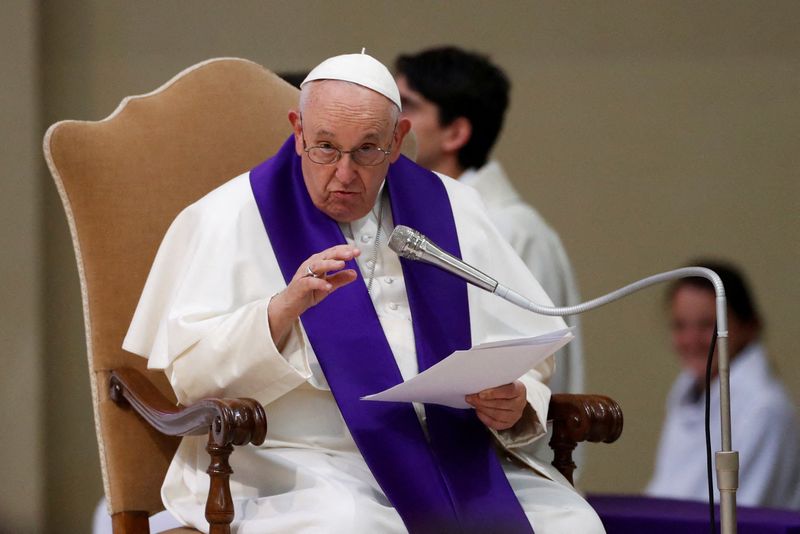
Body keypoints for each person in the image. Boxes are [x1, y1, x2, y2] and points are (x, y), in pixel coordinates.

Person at [122, 52, 604, 533]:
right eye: (325, 147)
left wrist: (517, 402)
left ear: (398, 141)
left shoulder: (453, 208)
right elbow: (189, 377)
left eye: (367, 150)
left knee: (572, 523)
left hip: (452, 454)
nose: (345, 173)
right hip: (302, 463)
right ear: (298, 131)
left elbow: (525, 354)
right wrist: (281, 311)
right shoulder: (225, 216)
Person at [394, 46, 583, 397]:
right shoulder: (411, 217)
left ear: (455, 133)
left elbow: (532, 365)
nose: (391, 118)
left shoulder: (513, 229)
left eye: (406, 105)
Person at [646, 260, 800, 510]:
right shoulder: (685, 393)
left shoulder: (765, 409)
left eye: (708, 325)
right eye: (680, 326)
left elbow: (737, 513)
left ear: (747, 326)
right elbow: (664, 491)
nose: (691, 340)